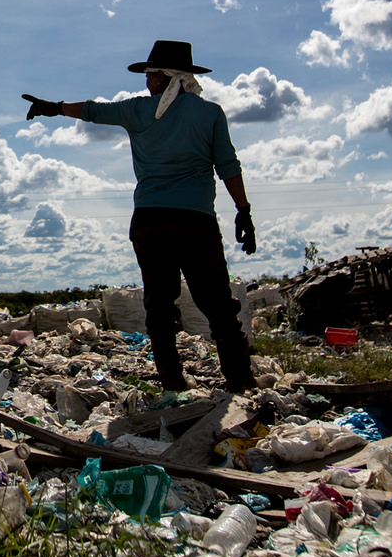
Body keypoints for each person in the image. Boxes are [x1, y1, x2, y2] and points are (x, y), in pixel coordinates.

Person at [23, 39, 257, 393]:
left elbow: (94, 111)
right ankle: (241, 384)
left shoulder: (137, 112)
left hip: (149, 223)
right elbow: (228, 166)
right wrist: (243, 210)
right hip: (194, 222)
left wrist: (53, 107)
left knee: (159, 307)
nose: (147, 81)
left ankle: (172, 383)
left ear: (166, 77)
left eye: (151, 75)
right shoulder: (209, 114)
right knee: (219, 308)